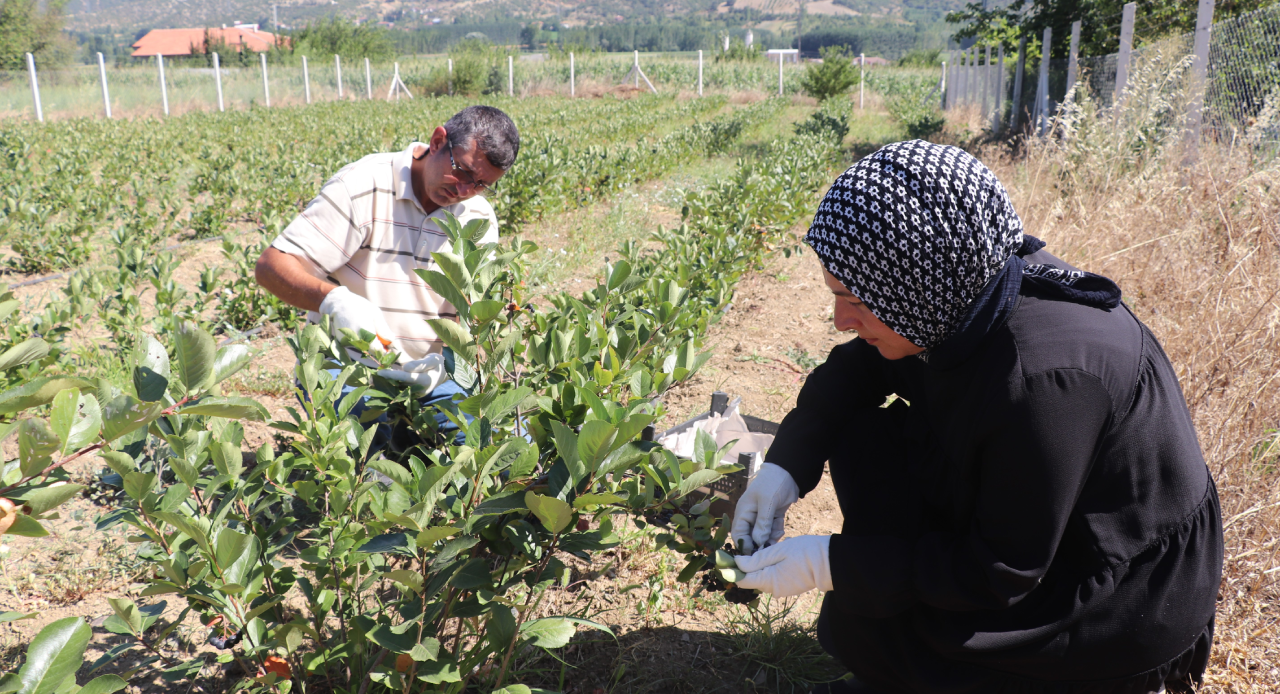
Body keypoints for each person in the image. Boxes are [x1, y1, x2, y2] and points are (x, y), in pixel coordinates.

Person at [730, 141, 1223, 694]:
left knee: (897, 637)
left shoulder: (1043, 382)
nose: (841, 320)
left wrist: (833, 564)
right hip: (1038, 522)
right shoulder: (962, 287)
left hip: (1120, 593)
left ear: (911, 289)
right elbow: (854, 372)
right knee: (857, 446)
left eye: (856, 301)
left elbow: (1002, 570)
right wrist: (784, 469)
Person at [255, 105, 519, 448]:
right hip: (350, 369)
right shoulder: (364, 185)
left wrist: (452, 361)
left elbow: (468, 315)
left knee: (498, 453)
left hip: (432, 377)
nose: (465, 190)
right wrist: (334, 301)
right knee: (365, 470)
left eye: (481, 184)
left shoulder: (477, 218)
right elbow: (272, 266)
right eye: (463, 171)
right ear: (438, 141)